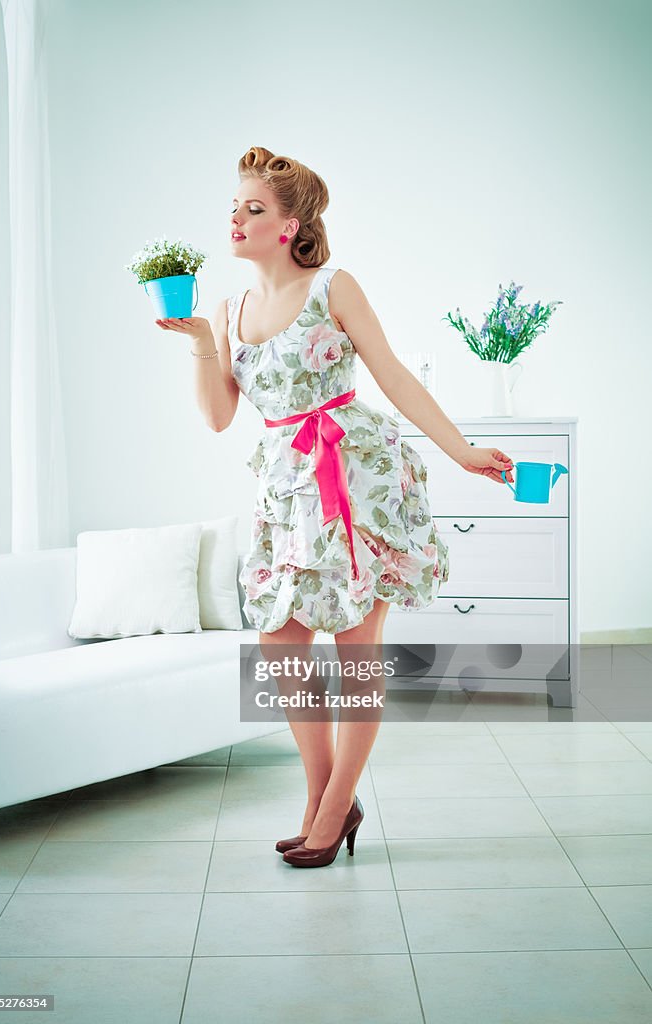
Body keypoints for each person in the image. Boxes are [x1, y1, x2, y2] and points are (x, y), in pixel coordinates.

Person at [156, 145, 515, 868]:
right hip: (285, 491)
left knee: (356, 656)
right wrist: (201, 342)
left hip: (360, 481)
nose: (236, 217)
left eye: (253, 208)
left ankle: (326, 813)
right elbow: (219, 418)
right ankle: (329, 803)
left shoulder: (333, 287)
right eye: (235, 205)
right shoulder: (229, 311)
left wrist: (462, 452)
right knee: (282, 650)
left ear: (290, 225)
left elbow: (393, 379)